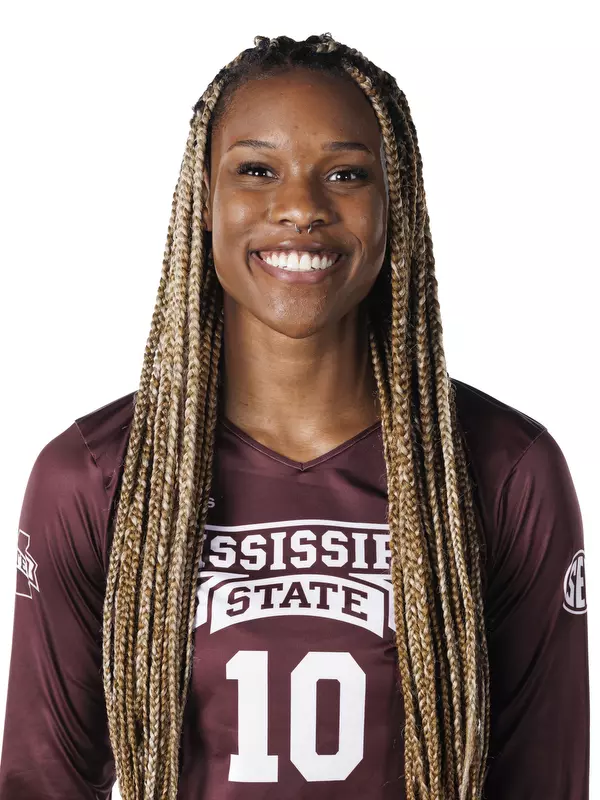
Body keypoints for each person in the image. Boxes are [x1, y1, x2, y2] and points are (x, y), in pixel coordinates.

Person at [0, 33, 589, 800]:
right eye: (256, 170)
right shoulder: (95, 476)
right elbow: (41, 782)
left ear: (395, 203)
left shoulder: (502, 469)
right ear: (204, 199)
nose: (301, 208)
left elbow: (545, 781)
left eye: (346, 174)